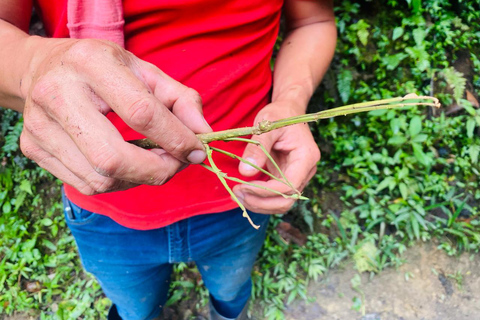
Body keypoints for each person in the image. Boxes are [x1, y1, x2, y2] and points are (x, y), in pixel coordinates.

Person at [0, 0, 336, 319]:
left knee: (231, 290)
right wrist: (35, 66)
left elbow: (313, 20)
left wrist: (291, 105)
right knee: (137, 308)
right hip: (103, 206)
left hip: (243, 193)